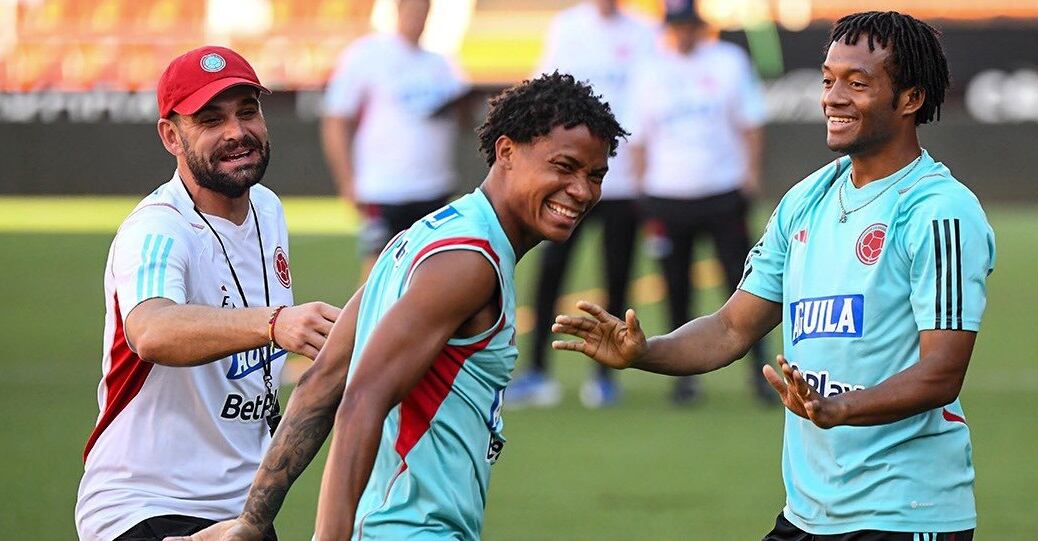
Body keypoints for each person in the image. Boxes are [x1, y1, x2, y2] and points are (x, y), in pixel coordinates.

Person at [553, 11, 993, 540]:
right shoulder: (804, 201)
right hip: (809, 513)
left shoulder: (938, 210)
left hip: (905, 512)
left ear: (910, 99)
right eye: (828, 80)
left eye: (858, 83)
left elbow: (941, 372)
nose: (833, 97)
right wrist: (644, 353)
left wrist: (840, 408)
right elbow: (731, 328)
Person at [165, 73, 627, 541]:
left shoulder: (422, 237)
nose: (582, 191)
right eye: (564, 167)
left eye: (595, 176)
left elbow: (321, 383)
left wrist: (253, 519)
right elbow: (360, 399)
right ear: (506, 151)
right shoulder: (469, 261)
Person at [75, 46, 341, 541]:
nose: (237, 132)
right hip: (147, 507)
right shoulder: (158, 228)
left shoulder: (267, 208)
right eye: (210, 119)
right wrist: (274, 323)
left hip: (241, 510)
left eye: (247, 112)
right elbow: (151, 330)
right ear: (171, 135)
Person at [506, 0, 656, 409]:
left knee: (618, 277)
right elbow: (543, 93)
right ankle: (536, 371)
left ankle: (606, 375)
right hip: (569, 177)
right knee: (551, 271)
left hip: (624, 183)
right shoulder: (567, 27)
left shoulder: (645, 31)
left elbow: (652, 101)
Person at [623, 0, 774, 405]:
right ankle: (683, 375)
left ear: (699, 25)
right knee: (675, 287)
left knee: (745, 285)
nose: (683, 33)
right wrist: (642, 191)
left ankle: (760, 373)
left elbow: (749, 122)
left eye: (689, 25)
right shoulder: (649, 69)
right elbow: (638, 135)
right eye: (676, 26)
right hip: (668, 194)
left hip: (722, 190)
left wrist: (749, 178)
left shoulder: (727, 62)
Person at [321, 0, 469, 278]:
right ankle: (367, 324)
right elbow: (336, 119)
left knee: (432, 276)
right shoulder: (368, 54)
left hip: (435, 187)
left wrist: (457, 106)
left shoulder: (441, 63)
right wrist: (346, 180)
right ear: (398, 10)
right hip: (384, 188)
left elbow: (463, 122)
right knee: (379, 274)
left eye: (424, 10)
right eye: (412, 9)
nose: (418, 17)